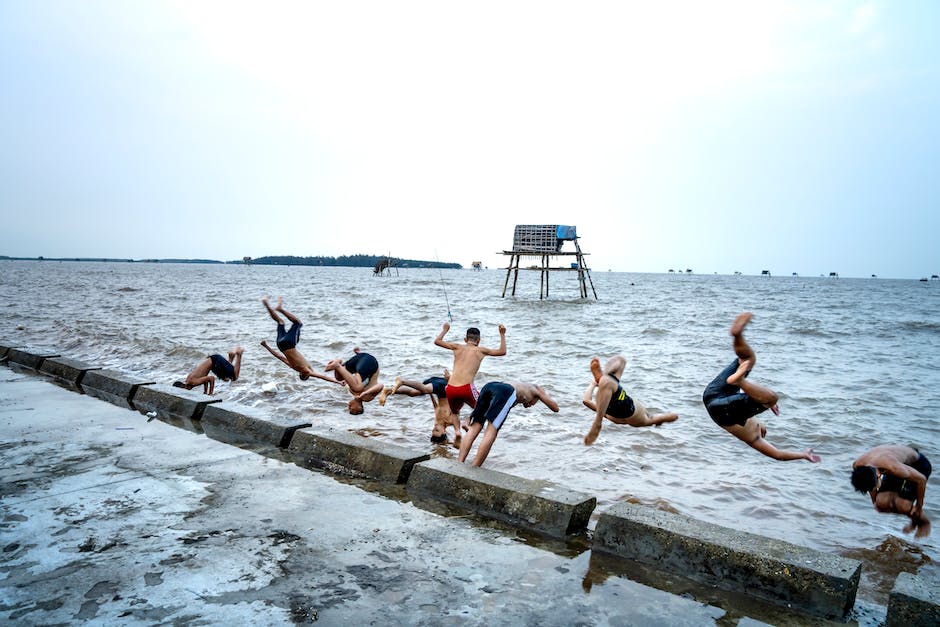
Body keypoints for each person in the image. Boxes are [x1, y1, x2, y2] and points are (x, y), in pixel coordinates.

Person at [702, 312, 819, 462]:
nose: (764, 431)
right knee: (747, 359)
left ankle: (740, 381)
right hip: (712, 396)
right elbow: (778, 454)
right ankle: (737, 336)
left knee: (771, 398)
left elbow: (778, 455)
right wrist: (804, 454)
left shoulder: (754, 438)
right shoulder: (751, 423)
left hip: (723, 411)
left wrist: (803, 455)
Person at [458, 380, 559, 467]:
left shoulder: (521, 385)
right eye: (533, 403)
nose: (530, 405)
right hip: (505, 392)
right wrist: (541, 395)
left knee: (475, 427)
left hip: (490, 386)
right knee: (491, 430)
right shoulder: (536, 389)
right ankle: (475, 468)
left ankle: (459, 463)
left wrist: (471, 416)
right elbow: (555, 408)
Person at [582, 356, 678, 445]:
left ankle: (598, 421)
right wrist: (593, 384)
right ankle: (598, 420)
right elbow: (586, 401)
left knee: (619, 363)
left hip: (616, 409)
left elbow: (586, 401)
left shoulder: (646, 418)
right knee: (620, 362)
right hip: (618, 411)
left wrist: (593, 383)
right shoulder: (646, 421)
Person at [434, 322, 506, 429]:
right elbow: (502, 351)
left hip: (450, 388)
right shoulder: (481, 350)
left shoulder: (457, 347)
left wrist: (445, 329)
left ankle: (457, 432)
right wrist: (502, 334)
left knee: (454, 413)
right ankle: (467, 422)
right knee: (485, 407)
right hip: (466, 388)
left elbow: (437, 341)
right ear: (479, 340)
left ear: (465, 339)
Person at [851, 445, 932, 538]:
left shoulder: (894, 468)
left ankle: (923, 521)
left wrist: (919, 506)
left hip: (918, 465)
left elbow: (921, 480)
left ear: (878, 476)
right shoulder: (857, 466)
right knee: (881, 503)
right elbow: (869, 485)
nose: (875, 490)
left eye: (875, 487)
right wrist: (875, 502)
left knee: (903, 506)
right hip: (889, 462)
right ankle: (913, 516)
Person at [260, 296, 339, 384]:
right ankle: (266, 304)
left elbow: (322, 377)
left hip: (289, 343)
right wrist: (266, 346)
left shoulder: (306, 371)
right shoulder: (292, 366)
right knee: (280, 322)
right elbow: (279, 357)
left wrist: (338, 382)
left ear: (305, 375)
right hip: (280, 345)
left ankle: (280, 309)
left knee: (298, 323)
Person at [379, 370, 459, 444]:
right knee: (424, 390)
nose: (435, 427)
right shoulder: (450, 420)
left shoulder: (438, 420)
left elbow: (436, 406)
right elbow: (457, 405)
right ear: (444, 432)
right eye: (437, 430)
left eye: (433, 429)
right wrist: (450, 381)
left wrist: (430, 394)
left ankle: (388, 391)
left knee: (413, 393)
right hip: (445, 386)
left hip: (437, 388)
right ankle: (402, 381)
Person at [326, 348, 383, 414]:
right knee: (358, 388)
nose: (348, 407)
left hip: (358, 360)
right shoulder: (367, 398)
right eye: (351, 409)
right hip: (371, 363)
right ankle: (337, 366)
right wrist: (365, 393)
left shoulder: (352, 391)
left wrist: (346, 380)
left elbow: (357, 376)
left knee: (339, 378)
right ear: (359, 408)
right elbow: (380, 386)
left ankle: (338, 363)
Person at [173, 346, 243, 395]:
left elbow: (211, 378)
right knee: (225, 378)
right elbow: (205, 380)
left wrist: (210, 393)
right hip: (213, 362)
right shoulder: (189, 380)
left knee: (234, 377)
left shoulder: (193, 382)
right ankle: (231, 357)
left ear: (184, 387)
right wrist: (205, 392)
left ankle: (239, 354)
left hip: (215, 362)